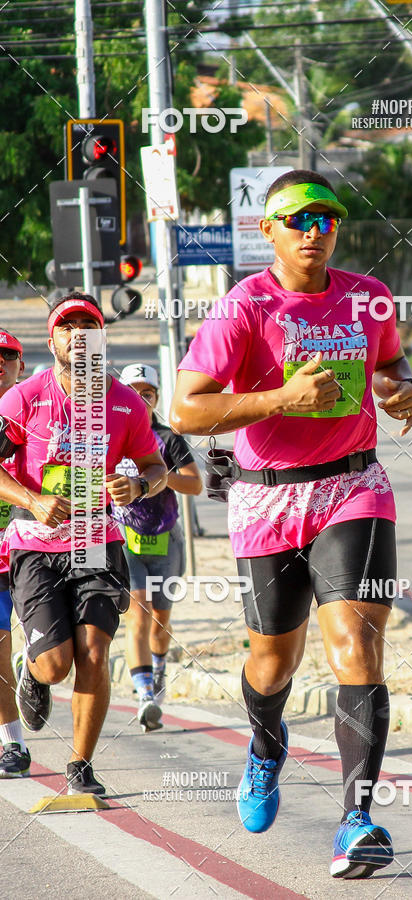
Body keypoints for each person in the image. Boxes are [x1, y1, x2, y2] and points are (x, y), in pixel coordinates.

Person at [170, 169, 412, 878]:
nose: (315, 231)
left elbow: (395, 365)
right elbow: (186, 411)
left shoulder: (368, 299)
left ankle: (356, 820)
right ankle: (263, 746)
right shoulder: (243, 307)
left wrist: (403, 392)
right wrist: (282, 395)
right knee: (272, 662)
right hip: (268, 498)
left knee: (356, 647)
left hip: (354, 487)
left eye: (328, 218)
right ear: (268, 229)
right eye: (299, 219)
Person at [0, 292, 167, 795]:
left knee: (94, 649)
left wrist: (138, 485)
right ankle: (31, 668)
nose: (78, 333)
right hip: (36, 544)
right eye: (67, 326)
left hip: (99, 541)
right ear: (51, 340)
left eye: (87, 326)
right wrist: (30, 499)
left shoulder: (126, 403)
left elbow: (157, 467)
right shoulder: (23, 399)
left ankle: (80, 766)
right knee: (54, 665)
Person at [112, 363, 202, 732]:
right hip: (126, 539)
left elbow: (196, 485)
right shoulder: (111, 435)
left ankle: (159, 666)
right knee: (138, 614)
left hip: (167, 539)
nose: (140, 398)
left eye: (147, 393)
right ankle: (145, 694)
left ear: (156, 399)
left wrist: (163, 479)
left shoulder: (169, 438)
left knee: (160, 621)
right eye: (132, 390)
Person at [0, 330, 31, 778]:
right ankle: (13, 743)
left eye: (7, 356)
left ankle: (36, 665)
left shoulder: (36, 407)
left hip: (36, 544)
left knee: (53, 651)